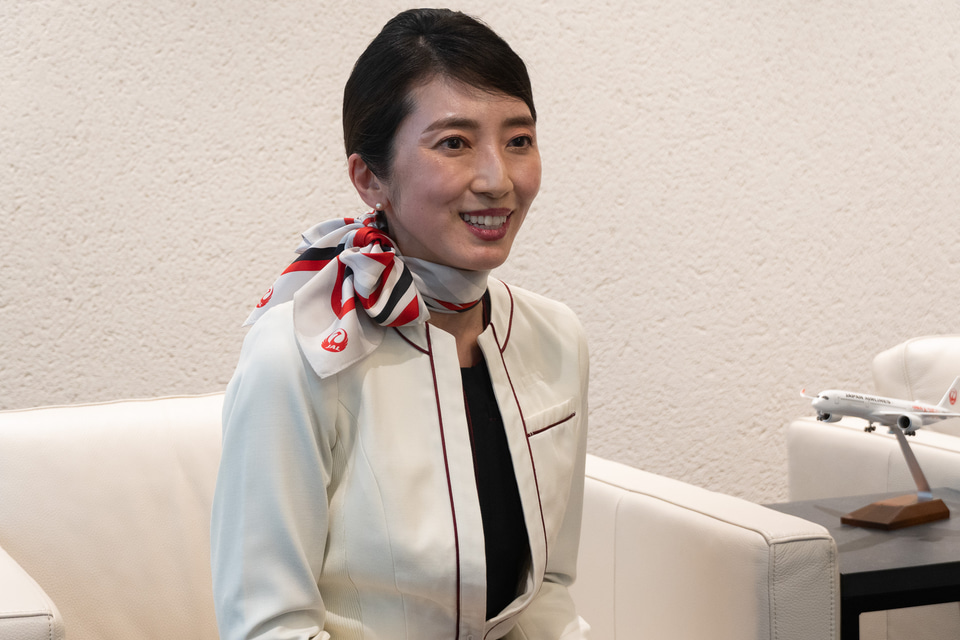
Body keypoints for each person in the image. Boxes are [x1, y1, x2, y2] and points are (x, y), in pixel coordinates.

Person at [210, 8, 590, 640]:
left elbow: (548, 590)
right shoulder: (298, 354)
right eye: (454, 143)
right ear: (370, 177)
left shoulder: (556, 337)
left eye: (518, 140)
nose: (498, 179)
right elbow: (268, 627)